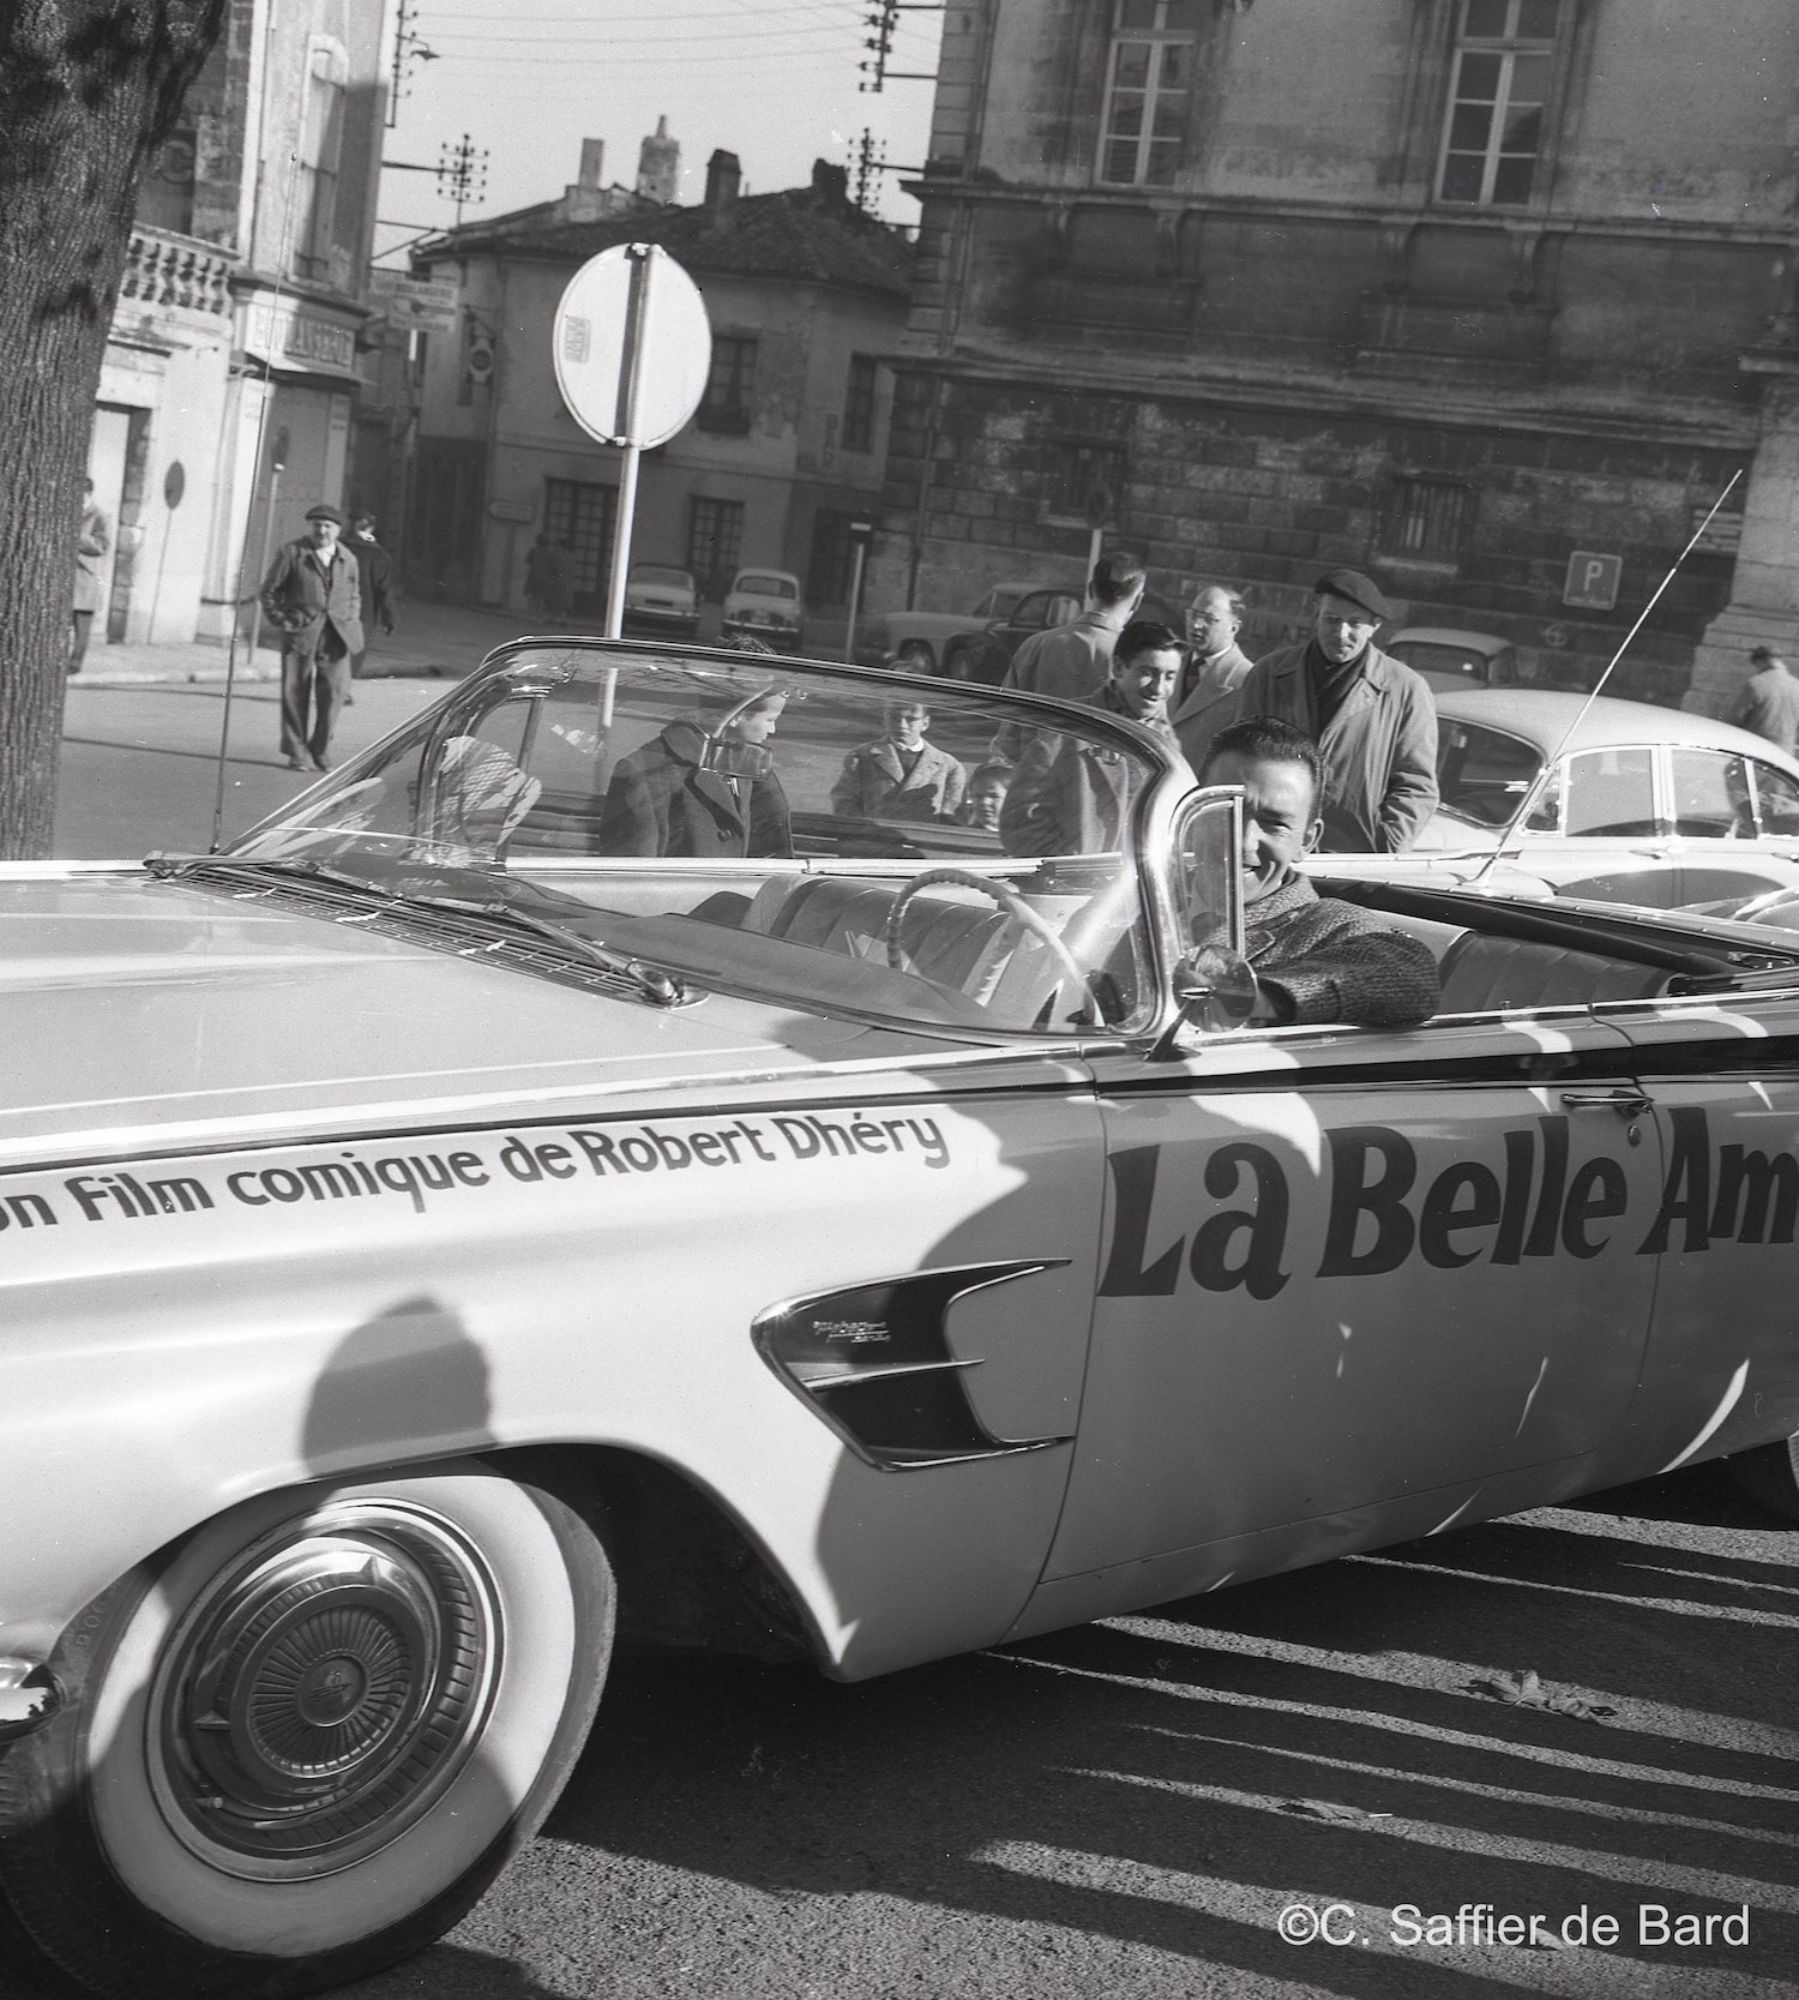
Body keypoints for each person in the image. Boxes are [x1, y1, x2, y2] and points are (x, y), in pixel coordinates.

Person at [1197, 716, 1439, 1028]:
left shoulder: (1331, 925)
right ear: (1192, 811)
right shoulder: (1144, 897)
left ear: (1306, 841)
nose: (1242, 842)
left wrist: (1250, 1002)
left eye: (1275, 823)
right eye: (1226, 809)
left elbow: (1411, 976)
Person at [1231, 567, 1437, 853]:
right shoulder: (1269, 674)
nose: (1341, 633)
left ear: (1374, 626)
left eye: (1355, 623)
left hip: (1353, 856)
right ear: (1316, 613)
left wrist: (1386, 846)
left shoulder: (1405, 690)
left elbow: (1416, 785)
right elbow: (1239, 762)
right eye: (1332, 619)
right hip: (1274, 847)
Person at [1000, 617, 1182, 857]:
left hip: (1140, 878)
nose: (1158, 688)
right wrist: (1071, 868)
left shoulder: (1167, 740)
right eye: (1148, 673)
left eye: (1169, 677)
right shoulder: (1068, 728)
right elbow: (1018, 822)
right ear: (1118, 668)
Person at [601, 683, 792, 857]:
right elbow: (634, 871)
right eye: (770, 720)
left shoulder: (752, 763)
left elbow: (772, 847)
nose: (773, 730)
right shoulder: (645, 771)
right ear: (736, 716)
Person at [259, 502, 364, 773]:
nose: (322, 531)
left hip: (337, 635)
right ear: (311, 527)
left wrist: (351, 619)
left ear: (338, 530)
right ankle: (297, 752)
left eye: (328, 526)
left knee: (335, 693)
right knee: (295, 691)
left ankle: (320, 749)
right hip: (301, 633)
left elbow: (354, 595)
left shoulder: (348, 559)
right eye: (317, 525)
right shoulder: (292, 553)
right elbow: (269, 591)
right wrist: (282, 620)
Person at [831, 699, 968, 822]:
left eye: (911, 719)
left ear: (925, 723)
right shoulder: (862, 756)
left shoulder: (949, 766)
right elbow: (844, 801)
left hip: (923, 840)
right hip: (873, 837)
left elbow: (953, 816)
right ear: (885, 719)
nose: (902, 725)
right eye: (894, 718)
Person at [1172, 582, 1254, 773]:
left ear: (1234, 627)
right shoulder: (1171, 663)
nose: (1196, 624)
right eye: (1193, 614)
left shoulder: (1247, 681)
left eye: (1209, 619)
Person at [345, 514, 396, 677]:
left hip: (336, 607)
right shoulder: (379, 555)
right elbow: (384, 590)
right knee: (354, 652)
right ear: (371, 529)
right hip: (364, 612)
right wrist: (388, 619)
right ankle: (344, 685)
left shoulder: (337, 547)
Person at [69, 476, 110, 675]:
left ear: (89, 494)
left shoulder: (99, 515)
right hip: (69, 578)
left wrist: (76, 536)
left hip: (86, 578)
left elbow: (102, 545)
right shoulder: (70, 511)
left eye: (82, 494)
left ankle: (75, 664)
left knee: (82, 627)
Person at [1731, 645, 1799, 755]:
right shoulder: (1796, 685)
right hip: (1785, 751)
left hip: (1757, 748)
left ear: (1760, 662)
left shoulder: (1755, 683)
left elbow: (1735, 717)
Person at [959, 761, 1011, 833]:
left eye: (994, 796)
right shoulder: (964, 834)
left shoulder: (1021, 834)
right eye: (978, 796)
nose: (984, 802)